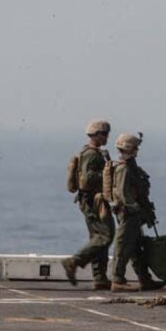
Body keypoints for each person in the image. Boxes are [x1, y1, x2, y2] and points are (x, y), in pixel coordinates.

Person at [61, 120, 115, 289]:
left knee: (98, 238)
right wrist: (107, 172)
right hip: (92, 201)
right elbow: (87, 179)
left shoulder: (95, 153)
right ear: (96, 135)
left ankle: (100, 277)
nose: (106, 137)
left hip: (93, 200)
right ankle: (74, 261)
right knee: (105, 235)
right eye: (104, 134)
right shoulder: (91, 154)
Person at [108, 133, 158, 291]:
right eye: (135, 147)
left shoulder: (130, 166)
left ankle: (144, 279)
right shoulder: (123, 168)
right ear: (129, 148)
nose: (137, 150)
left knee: (136, 247)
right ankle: (117, 280)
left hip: (132, 213)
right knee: (123, 245)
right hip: (128, 213)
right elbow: (123, 193)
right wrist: (135, 208)